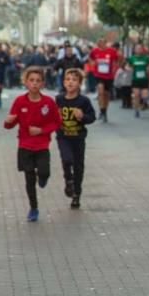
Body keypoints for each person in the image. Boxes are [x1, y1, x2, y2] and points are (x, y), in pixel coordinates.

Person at [3, 66, 61, 222]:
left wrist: (41, 130)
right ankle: (33, 208)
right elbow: (10, 123)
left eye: (38, 81)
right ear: (26, 82)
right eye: (31, 80)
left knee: (44, 172)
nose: (34, 84)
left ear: (42, 83)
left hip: (42, 145)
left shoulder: (48, 102)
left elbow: (56, 122)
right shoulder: (19, 101)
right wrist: (8, 122)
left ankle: (43, 177)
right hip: (24, 145)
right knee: (29, 180)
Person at [55, 68, 96, 209]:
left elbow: (92, 117)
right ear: (63, 82)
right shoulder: (59, 99)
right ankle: (68, 180)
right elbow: (51, 117)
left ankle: (76, 194)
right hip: (63, 137)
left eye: (74, 80)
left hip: (78, 138)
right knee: (67, 159)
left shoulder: (83, 101)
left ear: (79, 83)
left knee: (78, 166)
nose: (70, 82)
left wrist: (82, 117)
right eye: (67, 79)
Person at [88, 38, 120, 122]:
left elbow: (117, 60)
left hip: (109, 76)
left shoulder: (111, 51)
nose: (99, 43)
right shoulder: (94, 51)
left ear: (105, 43)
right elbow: (90, 58)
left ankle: (104, 111)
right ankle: (102, 110)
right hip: (98, 75)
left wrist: (115, 68)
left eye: (101, 42)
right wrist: (93, 63)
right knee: (101, 92)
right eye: (98, 42)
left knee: (106, 95)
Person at [128, 45, 149, 119]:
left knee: (145, 96)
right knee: (136, 95)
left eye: (140, 48)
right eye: (137, 48)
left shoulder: (146, 58)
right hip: (135, 79)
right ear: (134, 50)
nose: (139, 50)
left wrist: (148, 68)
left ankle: (143, 104)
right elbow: (127, 66)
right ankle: (136, 110)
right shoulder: (132, 58)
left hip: (144, 79)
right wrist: (130, 69)